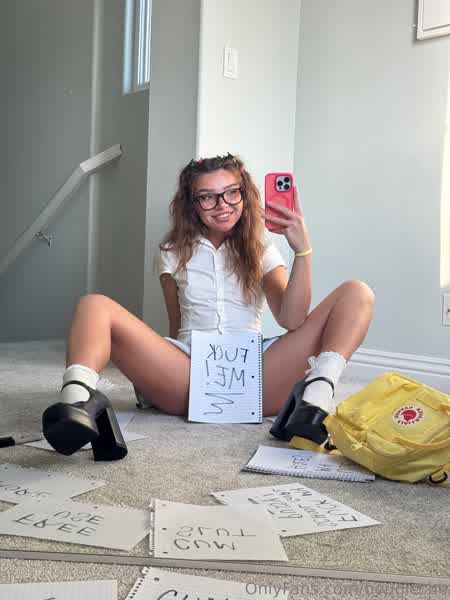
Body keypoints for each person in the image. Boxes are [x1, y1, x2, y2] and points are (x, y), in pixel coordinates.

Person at [42, 153, 374, 459]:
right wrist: (152, 374)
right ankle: (77, 403)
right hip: (188, 374)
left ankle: (316, 396)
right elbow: (175, 323)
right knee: (94, 305)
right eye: (208, 197)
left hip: (257, 374)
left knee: (356, 293)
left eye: (231, 193)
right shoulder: (170, 251)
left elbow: (292, 319)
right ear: (192, 203)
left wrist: (302, 250)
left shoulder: (261, 248)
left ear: (244, 194)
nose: (222, 205)